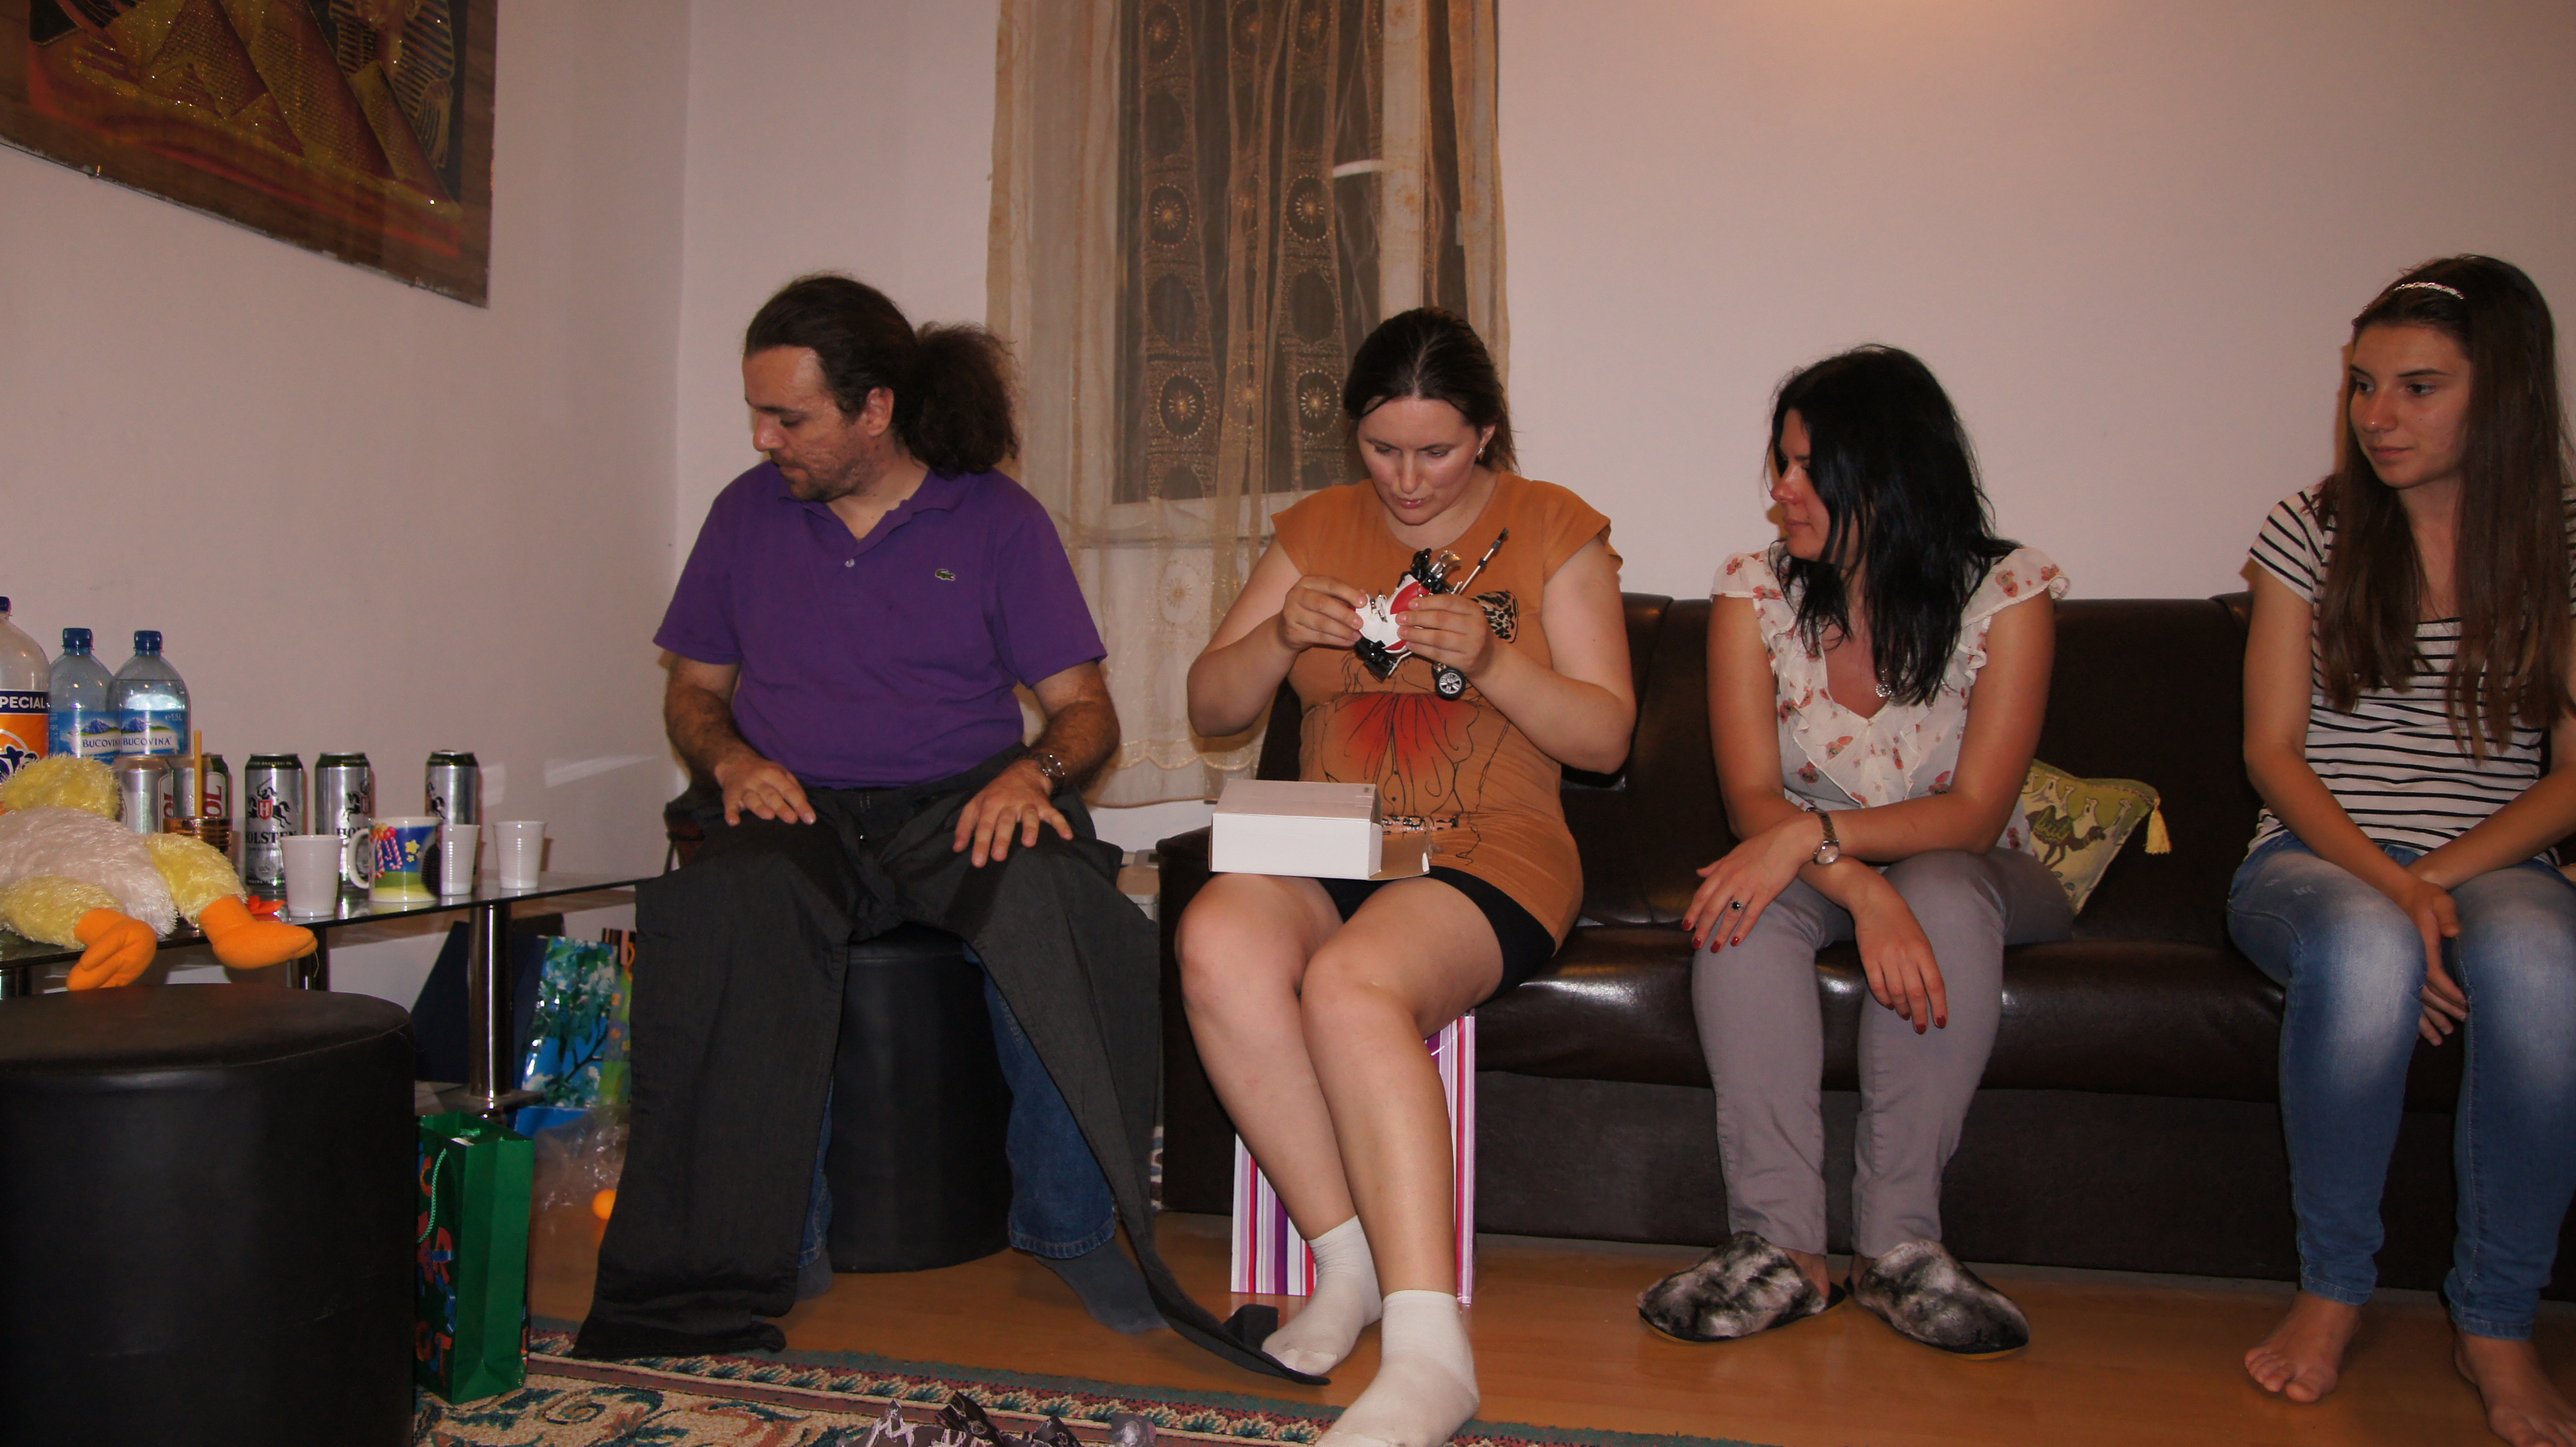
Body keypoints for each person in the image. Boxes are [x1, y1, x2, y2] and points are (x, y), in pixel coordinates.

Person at [574, 273, 1297, 1382]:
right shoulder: (743, 515)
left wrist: (1030, 776)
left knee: (1058, 907)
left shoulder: (995, 520)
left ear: (874, 409)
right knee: (729, 910)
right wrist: (731, 761)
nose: (765, 439)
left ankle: (1074, 1232)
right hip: (797, 802)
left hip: (959, 803)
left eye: (789, 418)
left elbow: (1085, 712)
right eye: (758, 415)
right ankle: (768, 1244)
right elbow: (694, 691)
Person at [1178, 308, 1635, 1446]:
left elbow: (1605, 738)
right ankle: (1349, 1265)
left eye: (1437, 450)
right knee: (1215, 937)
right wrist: (1278, 636)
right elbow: (1212, 706)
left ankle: (1433, 1352)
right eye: (1383, 450)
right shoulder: (1319, 527)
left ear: (1484, 433)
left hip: (1491, 851)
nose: (1408, 478)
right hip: (1333, 842)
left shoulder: (1555, 527)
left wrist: (1493, 659)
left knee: (1352, 982)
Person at [1638, 346, 2070, 1357]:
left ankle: (1900, 1249)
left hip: (1972, 861)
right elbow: (1752, 801)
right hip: (1809, 864)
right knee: (1737, 912)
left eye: (1810, 469)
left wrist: (1817, 835)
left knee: (1944, 891)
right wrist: (1860, 888)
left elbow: (1974, 813)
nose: (1783, 490)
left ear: (1887, 476)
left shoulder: (2009, 591)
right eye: (1781, 463)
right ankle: (1780, 1250)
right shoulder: (1754, 591)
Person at [2230, 256, 2576, 1447]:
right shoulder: (2310, 528)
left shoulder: (2560, 543)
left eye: (2418, 388)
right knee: (2365, 948)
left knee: (2544, 963)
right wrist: (2391, 890)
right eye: (2364, 385)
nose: (2378, 415)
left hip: (2491, 861)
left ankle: (2497, 1320)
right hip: (2317, 859)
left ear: (2504, 393)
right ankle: (2332, 1289)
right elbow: (2273, 754)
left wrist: (2431, 884)